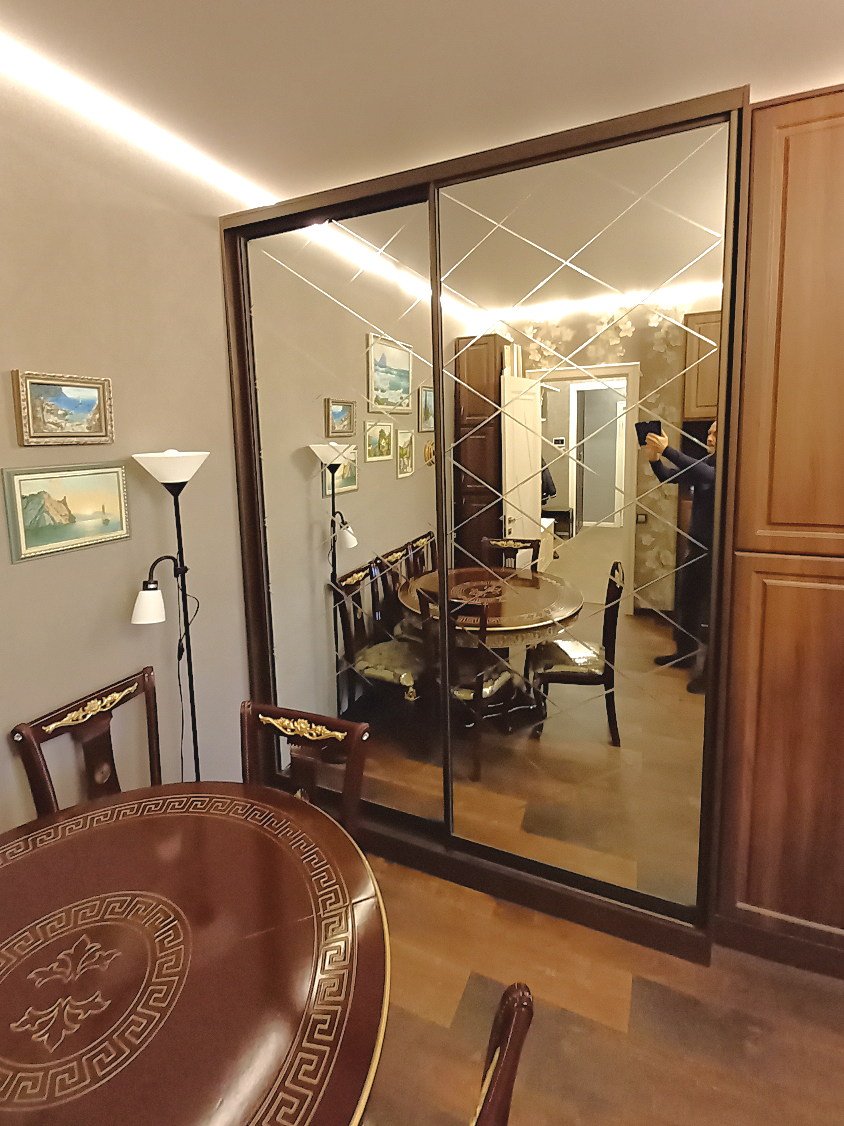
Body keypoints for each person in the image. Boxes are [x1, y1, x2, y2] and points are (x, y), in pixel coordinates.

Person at [644, 422, 717, 693]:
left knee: (714, 613)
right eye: (709, 432)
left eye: (716, 433)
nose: (710, 437)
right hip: (697, 546)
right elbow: (668, 476)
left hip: (717, 550)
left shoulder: (728, 465)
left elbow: (709, 476)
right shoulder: (707, 462)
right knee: (687, 602)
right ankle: (685, 655)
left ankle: (710, 675)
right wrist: (655, 459)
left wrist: (667, 450)